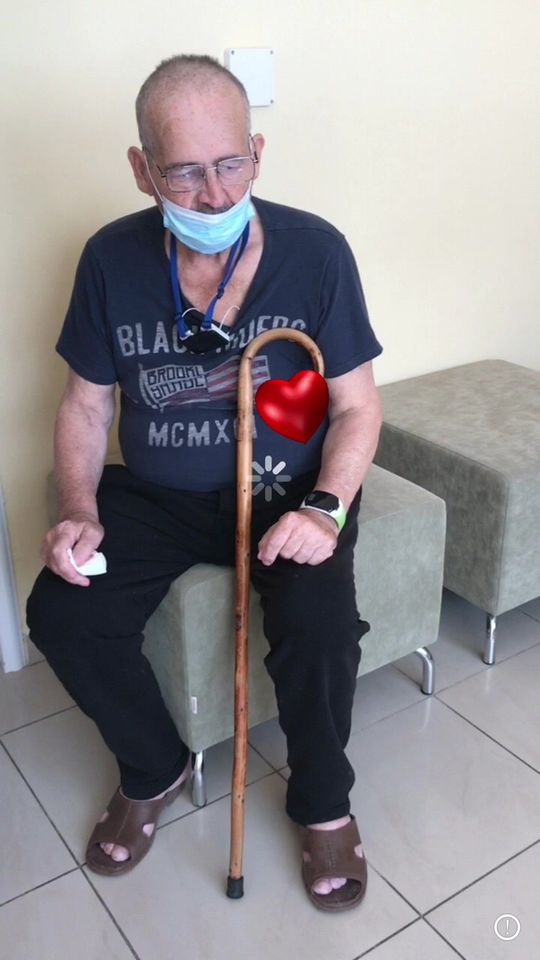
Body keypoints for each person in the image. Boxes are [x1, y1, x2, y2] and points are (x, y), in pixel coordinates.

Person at [26, 54, 383, 912]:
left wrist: (327, 510)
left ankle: (324, 801)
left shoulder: (316, 252)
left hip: (290, 488)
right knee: (62, 612)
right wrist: (77, 508)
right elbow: (85, 405)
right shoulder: (110, 259)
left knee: (321, 626)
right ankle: (154, 766)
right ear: (141, 168)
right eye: (184, 172)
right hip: (156, 497)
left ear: (257, 152)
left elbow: (357, 408)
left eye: (230, 163)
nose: (216, 194)